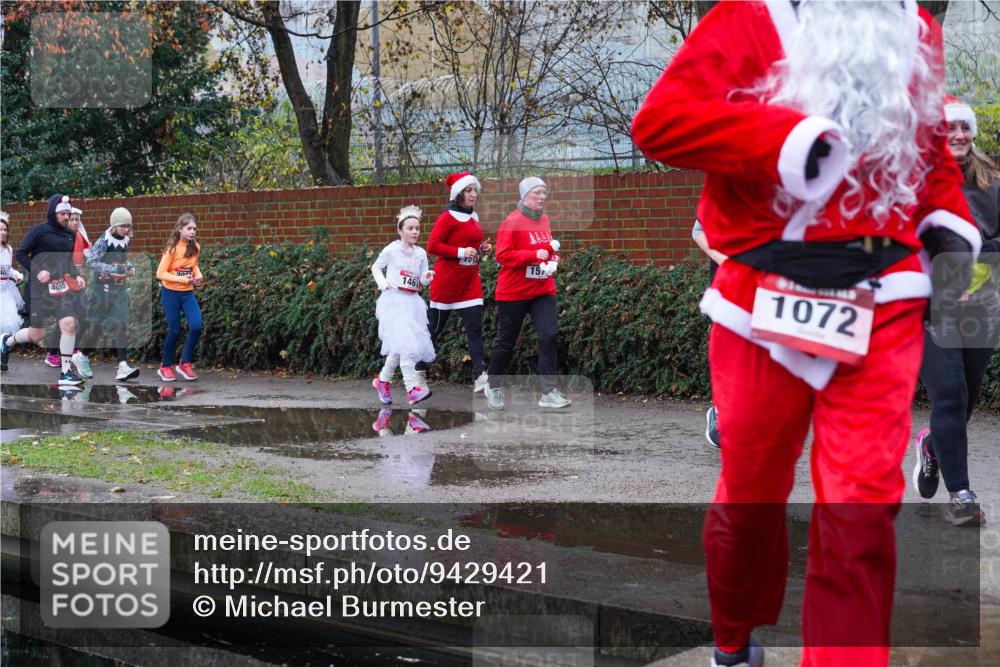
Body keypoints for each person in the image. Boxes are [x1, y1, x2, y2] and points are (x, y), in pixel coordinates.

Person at [631, 2, 977, 666]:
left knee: (862, 510)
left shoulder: (918, 30)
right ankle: (733, 638)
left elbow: (931, 161)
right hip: (761, 298)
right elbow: (660, 123)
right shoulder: (747, 18)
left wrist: (953, 243)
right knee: (751, 496)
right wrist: (785, 141)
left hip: (889, 297)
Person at [913, 97, 999, 526]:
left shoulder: (992, 183)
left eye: (965, 128)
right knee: (949, 393)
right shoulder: (915, 183)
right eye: (950, 130)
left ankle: (932, 445)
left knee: (967, 396)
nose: (959, 136)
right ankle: (961, 494)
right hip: (929, 309)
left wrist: (972, 276)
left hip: (979, 307)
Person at [483, 177, 571, 411]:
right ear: (524, 196)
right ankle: (493, 386)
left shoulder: (544, 220)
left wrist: (552, 260)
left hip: (543, 290)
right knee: (507, 341)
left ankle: (549, 391)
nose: (542, 197)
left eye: (544, 193)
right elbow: (502, 255)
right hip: (514, 292)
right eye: (537, 193)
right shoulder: (512, 222)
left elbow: (547, 248)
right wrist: (533, 256)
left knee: (548, 335)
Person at [1, 195, 88, 384]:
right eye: (63, 213)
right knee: (35, 335)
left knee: (69, 324)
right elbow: (21, 253)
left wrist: (77, 275)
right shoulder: (39, 231)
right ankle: (6, 341)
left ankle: (66, 372)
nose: (66, 217)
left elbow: (67, 262)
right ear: (53, 213)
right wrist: (38, 271)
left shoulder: (70, 234)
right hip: (39, 291)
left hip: (60, 290)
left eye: (68, 213)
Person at [422, 171, 493, 392]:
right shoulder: (447, 217)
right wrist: (462, 251)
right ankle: (416, 370)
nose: (473, 195)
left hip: (469, 281)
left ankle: (480, 376)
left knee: (474, 328)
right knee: (434, 329)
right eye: (468, 191)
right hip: (447, 282)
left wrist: (481, 250)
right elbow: (433, 246)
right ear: (458, 193)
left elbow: (472, 249)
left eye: (475, 190)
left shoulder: (474, 217)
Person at [371, 205, 436, 406]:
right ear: (400, 230)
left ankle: (382, 380)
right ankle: (412, 389)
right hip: (394, 301)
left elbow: (421, 281)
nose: (415, 232)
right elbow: (376, 267)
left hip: (413, 303)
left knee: (400, 348)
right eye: (410, 228)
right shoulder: (391, 250)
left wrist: (427, 278)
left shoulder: (421, 253)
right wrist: (383, 284)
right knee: (407, 345)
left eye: (417, 228)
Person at [86, 207, 141, 382]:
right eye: (123, 226)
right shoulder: (104, 241)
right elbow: (91, 262)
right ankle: (81, 355)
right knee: (96, 326)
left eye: (128, 226)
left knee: (121, 324)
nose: (126, 229)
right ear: (114, 225)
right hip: (101, 289)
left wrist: (129, 266)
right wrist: (114, 269)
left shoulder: (125, 239)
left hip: (119, 288)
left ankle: (123, 365)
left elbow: (122, 260)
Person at [156, 213, 204, 382]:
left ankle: (185, 363)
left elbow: (194, 266)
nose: (192, 232)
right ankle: (165, 366)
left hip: (187, 293)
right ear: (179, 229)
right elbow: (160, 273)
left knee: (197, 326)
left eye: (194, 229)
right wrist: (182, 279)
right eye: (189, 228)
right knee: (175, 330)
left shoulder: (195, 247)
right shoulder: (172, 249)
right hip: (171, 294)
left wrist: (198, 276)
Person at [0, 212, 25, 336]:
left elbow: (8, 269)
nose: (3, 232)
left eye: (5, 230)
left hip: (6, 293)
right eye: (0, 230)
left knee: (8, 323)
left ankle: (2, 350)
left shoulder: (8, 249)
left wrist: (17, 275)